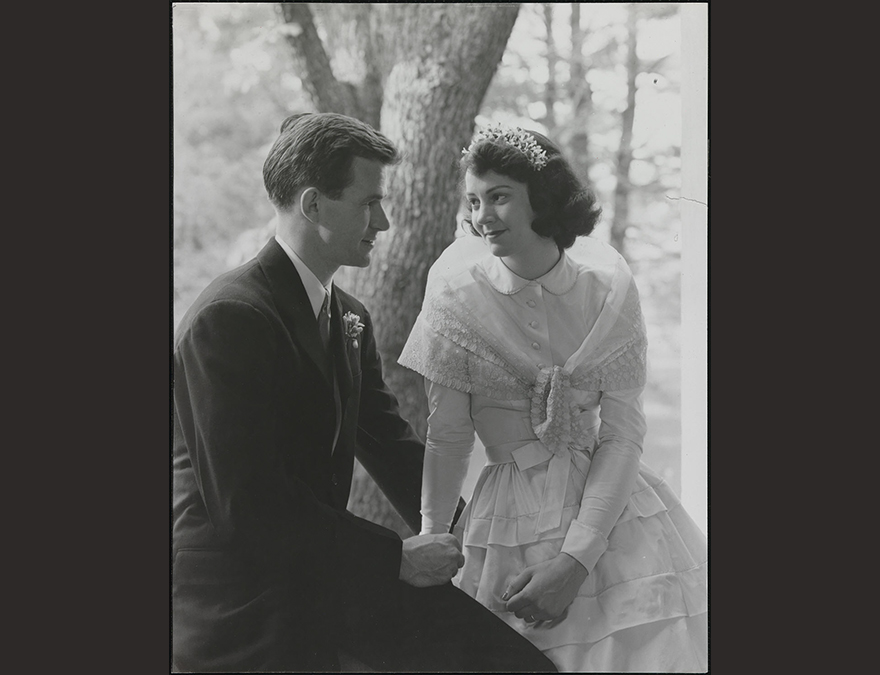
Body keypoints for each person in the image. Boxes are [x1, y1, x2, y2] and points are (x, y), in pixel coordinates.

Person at [172, 112, 558, 673]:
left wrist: (493, 536)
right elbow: (248, 506)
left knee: (514, 662)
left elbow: (392, 446)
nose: (384, 220)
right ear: (313, 205)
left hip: (321, 578)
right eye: (369, 202)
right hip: (242, 602)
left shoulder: (347, 315)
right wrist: (394, 559)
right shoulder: (231, 317)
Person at [399, 123, 709, 672]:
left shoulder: (606, 287)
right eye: (472, 201)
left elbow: (621, 434)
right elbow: (447, 437)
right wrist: (432, 539)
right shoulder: (455, 294)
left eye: (499, 197)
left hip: (613, 511)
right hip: (505, 520)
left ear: (542, 200)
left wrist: (576, 559)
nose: (481, 216)